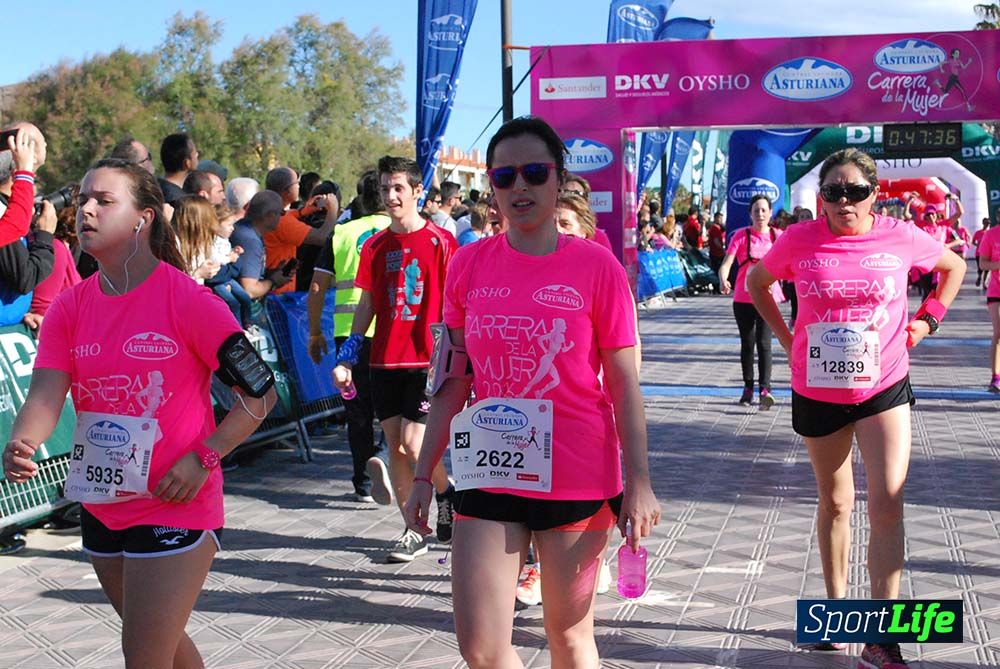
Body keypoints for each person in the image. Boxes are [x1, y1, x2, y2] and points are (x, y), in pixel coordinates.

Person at [403, 116, 659, 668]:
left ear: (558, 178)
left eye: (535, 172)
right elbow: (453, 378)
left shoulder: (597, 267)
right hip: (490, 466)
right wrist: (424, 475)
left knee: (567, 638)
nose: (519, 186)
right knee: (482, 648)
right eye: (505, 176)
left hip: (576, 469)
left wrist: (639, 481)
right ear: (492, 186)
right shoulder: (469, 264)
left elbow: (623, 383)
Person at [3, 157, 276, 668]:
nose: (84, 209)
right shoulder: (69, 307)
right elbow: (44, 394)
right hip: (103, 502)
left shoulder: (188, 301)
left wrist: (206, 457)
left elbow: (261, 396)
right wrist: (23, 442)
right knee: (164, 646)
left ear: (142, 219)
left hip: (176, 503)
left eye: (103, 201)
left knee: (143, 655)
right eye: (83, 199)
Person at [747, 148, 965, 669]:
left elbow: (952, 266)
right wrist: (786, 336)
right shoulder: (798, 239)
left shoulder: (900, 234)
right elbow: (758, 283)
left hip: (884, 383)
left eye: (855, 191)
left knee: (888, 502)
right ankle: (836, 610)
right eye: (833, 192)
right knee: (837, 502)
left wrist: (926, 321)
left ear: (874, 194)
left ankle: (881, 637)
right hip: (818, 388)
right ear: (821, 197)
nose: (844, 201)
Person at [332, 156, 457, 562]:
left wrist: (457, 353)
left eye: (399, 187)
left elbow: (455, 302)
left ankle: (446, 491)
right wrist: (348, 355)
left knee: (413, 443)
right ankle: (413, 528)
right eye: (386, 188)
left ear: (418, 191)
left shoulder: (441, 241)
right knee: (396, 446)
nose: (391, 196)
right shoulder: (375, 245)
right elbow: (366, 303)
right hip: (384, 360)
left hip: (428, 359)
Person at [309, 170, 390, 502]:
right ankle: (385, 457)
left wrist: (315, 332)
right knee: (394, 408)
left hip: (349, 338)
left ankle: (364, 484)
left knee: (357, 411)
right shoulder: (400, 230)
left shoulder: (340, 233)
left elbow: (317, 286)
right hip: (391, 334)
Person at [718, 195, 783, 408]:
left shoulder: (778, 236)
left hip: (768, 298)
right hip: (743, 298)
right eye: (756, 210)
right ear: (750, 214)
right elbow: (726, 263)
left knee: (764, 343)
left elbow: (791, 263)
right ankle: (748, 387)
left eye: (764, 210)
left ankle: (766, 388)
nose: (760, 214)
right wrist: (723, 279)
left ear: (770, 213)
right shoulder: (740, 236)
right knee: (747, 343)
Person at [263, 167, 336, 293]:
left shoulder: (268, 210)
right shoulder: (283, 222)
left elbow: (288, 214)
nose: (299, 186)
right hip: (278, 294)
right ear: (287, 191)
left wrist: (304, 210)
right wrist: (333, 210)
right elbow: (322, 238)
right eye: (296, 183)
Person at [976, 218, 1000, 392]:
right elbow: (982, 263)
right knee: (999, 332)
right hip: (996, 291)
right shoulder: (991, 235)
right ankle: (996, 377)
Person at [157, 133, 198, 206]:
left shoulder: (154, 189)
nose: (197, 155)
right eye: (194, 153)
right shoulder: (178, 202)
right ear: (187, 163)